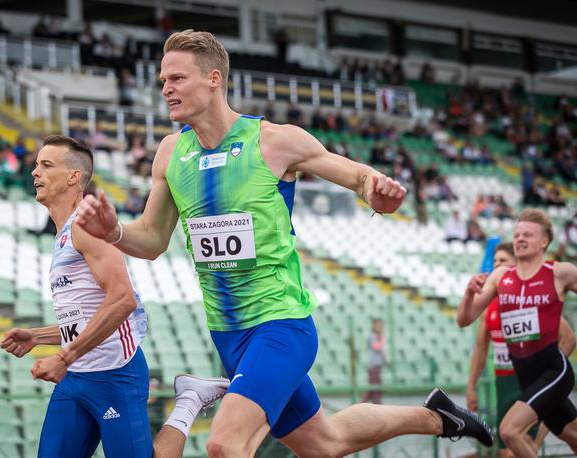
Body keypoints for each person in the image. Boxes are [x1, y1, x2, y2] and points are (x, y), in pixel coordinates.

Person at [76, 29, 493, 457]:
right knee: (327, 443)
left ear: (214, 78)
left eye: (177, 78)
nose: (166, 88)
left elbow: (355, 175)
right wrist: (114, 232)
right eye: (163, 80)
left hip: (280, 324)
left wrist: (376, 192)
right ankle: (440, 417)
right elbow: (152, 239)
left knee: (224, 444)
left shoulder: (273, 141)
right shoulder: (169, 153)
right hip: (228, 333)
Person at [0, 135, 228, 458]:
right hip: (77, 375)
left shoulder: (85, 227)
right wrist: (37, 335)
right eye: (36, 165)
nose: (35, 172)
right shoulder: (63, 233)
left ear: (73, 177)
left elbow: (123, 300)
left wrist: (64, 356)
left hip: (115, 374)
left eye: (45, 165)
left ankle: (189, 401)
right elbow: (85, 318)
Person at [457, 208, 577, 457]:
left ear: (544, 241)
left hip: (553, 370)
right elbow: (464, 319)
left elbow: (568, 338)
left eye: (529, 235)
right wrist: (469, 293)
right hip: (526, 377)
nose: (520, 239)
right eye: (517, 234)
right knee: (574, 437)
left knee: (510, 431)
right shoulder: (501, 277)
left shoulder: (559, 273)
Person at [361, 318, 387, 404]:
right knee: (374, 388)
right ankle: (364, 404)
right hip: (372, 365)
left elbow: (382, 351)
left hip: (377, 365)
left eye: (381, 325)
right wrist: (382, 338)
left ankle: (364, 404)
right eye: (378, 325)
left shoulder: (378, 336)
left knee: (375, 388)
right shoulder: (371, 336)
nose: (380, 327)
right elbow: (377, 347)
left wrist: (385, 360)